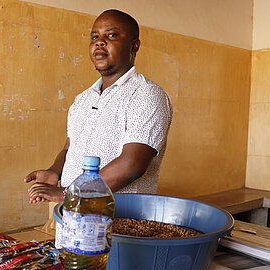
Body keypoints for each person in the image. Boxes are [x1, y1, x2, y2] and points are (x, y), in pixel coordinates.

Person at [25, 9, 172, 203]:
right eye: (95, 36)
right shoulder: (83, 99)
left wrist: (67, 193)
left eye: (111, 35)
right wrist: (54, 172)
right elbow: (71, 146)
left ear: (134, 46)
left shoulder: (146, 94)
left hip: (114, 219)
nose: (100, 42)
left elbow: (132, 165)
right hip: (71, 211)